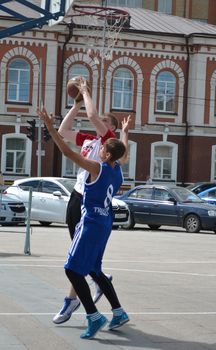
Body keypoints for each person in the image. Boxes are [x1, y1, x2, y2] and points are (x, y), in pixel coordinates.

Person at [37, 106, 130, 339]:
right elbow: (123, 151)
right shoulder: (117, 170)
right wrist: (125, 133)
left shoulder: (97, 168)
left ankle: (93, 315)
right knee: (93, 269)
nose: (99, 150)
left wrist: (49, 128)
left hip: (90, 221)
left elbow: (69, 154)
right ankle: (118, 312)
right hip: (105, 222)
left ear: (107, 155)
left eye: (104, 149)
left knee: (72, 269)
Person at [53, 77, 131, 324]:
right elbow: (64, 131)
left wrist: (86, 91)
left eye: (106, 122)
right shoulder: (89, 141)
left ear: (111, 130)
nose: (100, 121)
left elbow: (94, 116)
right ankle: (98, 281)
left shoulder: (107, 140)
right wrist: (75, 105)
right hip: (76, 198)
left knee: (76, 258)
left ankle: (73, 299)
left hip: (90, 205)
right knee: (77, 252)